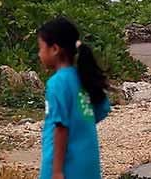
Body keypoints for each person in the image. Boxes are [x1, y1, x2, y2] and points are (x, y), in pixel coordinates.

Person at [37, 17, 111, 179]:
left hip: (65, 165)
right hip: (88, 163)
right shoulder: (85, 78)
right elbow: (101, 109)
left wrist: (56, 171)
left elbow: (61, 128)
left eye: (41, 48)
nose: (39, 54)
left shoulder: (57, 83)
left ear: (55, 49)